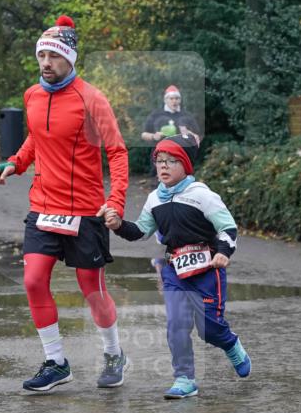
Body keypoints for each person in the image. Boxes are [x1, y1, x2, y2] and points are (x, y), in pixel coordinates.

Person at [0, 15, 130, 392]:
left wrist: (115, 201)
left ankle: (114, 352)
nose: (46, 62)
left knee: (92, 289)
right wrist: (15, 163)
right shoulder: (32, 95)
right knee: (34, 280)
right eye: (42, 55)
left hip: (86, 211)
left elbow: (117, 153)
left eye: (54, 55)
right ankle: (56, 362)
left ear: (70, 58)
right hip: (43, 206)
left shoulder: (92, 99)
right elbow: (36, 140)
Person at [104, 136, 251, 399]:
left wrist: (224, 253)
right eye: (159, 161)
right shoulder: (154, 199)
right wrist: (118, 226)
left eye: (171, 161)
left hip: (207, 270)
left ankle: (230, 343)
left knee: (210, 329)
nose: (163, 167)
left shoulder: (202, 195)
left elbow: (227, 227)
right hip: (174, 271)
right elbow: (140, 231)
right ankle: (184, 378)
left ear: (185, 165)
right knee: (176, 324)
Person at [140, 85, 201, 174]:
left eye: (177, 98)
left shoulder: (187, 115)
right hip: (160, 155)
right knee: (158, 183)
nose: (174, 101)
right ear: (165, 100)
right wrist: (154, 136)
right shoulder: (156, 114)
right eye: (171, 98)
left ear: (180, 100)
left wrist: (189, 134)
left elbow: (197, 136)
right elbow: (143, 134)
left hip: (181, 155)